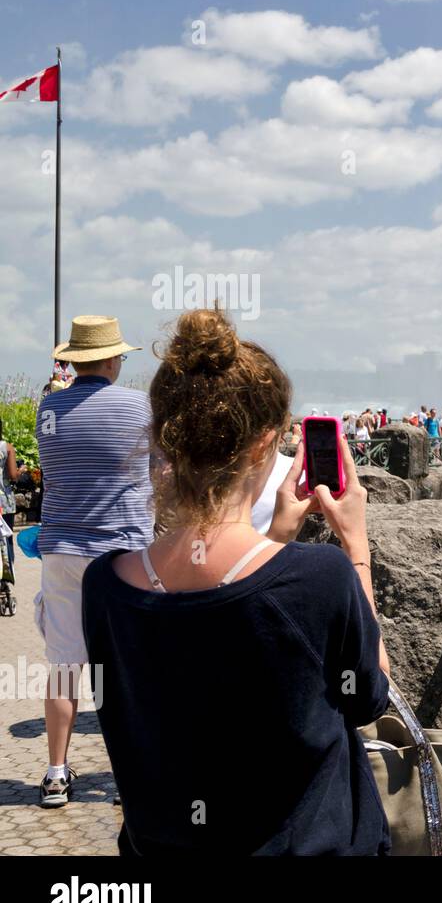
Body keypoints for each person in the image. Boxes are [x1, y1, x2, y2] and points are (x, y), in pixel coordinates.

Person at [83, 308, 391, 855]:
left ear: (163, 436)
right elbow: (368, 696)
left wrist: (276, 535)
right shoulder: (321, 578)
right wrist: (357, 549)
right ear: (262, 445)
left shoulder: (104, 585)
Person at [34, 315, 152, 808]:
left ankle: (56, 775)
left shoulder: (47, 410)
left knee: (64, 667)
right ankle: (130, 777)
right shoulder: (139, 407)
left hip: (61, 547)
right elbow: (159, 471)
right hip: (121, 549)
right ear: (110, 358)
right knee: (129, 667)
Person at [0, 417, 17, 567]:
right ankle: (6, 577)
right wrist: (21, 471)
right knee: (7, 538)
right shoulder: (7, 447)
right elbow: (13, 475)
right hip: (4, 502)